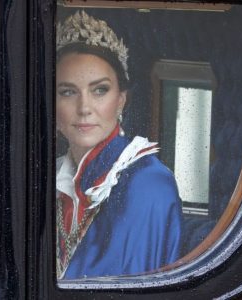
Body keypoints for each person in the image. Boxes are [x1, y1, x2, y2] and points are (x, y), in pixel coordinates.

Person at [55, 10, 182, 279]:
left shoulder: (149, 183)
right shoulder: (51, 178)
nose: (84, 108)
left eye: (99, 90)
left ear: (121, 99)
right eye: (68, 92)